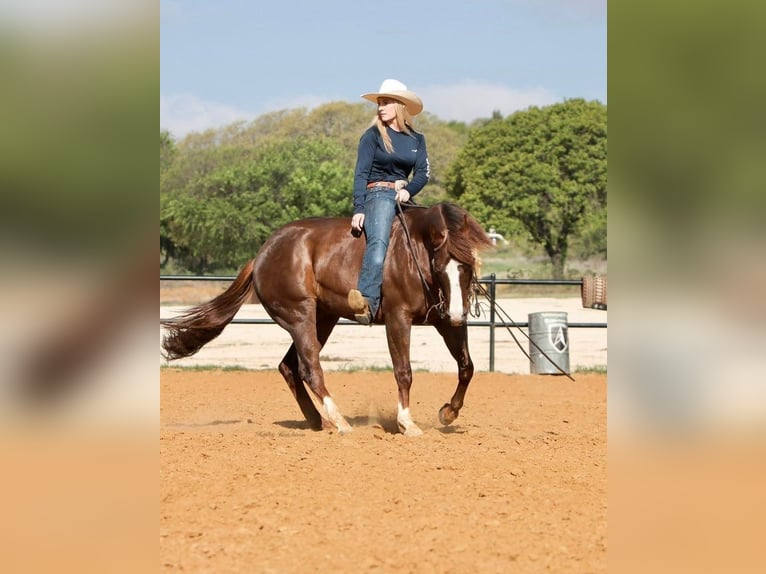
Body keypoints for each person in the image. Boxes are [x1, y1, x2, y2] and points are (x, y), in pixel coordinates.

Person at [348, 78, 430, 324]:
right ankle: (367, 302)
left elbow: (423, 173)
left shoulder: (417, 139)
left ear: (399, 106)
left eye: (385, 103)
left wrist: (409, 189)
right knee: (379, 242)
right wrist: (359, 207)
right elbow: (361, 173)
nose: (380, 107)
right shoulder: (372, 135)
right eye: (379, 103)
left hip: (404, 196)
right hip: (378, 194)